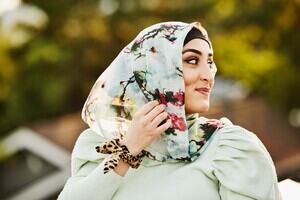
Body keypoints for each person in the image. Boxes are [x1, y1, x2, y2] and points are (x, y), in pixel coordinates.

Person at [58, 21, 282, 200]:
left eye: (210, 62)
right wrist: (128, 150)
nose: (209, 74)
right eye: (192, 60)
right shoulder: (99, 144)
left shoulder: (230, 148)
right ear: (152, 69)